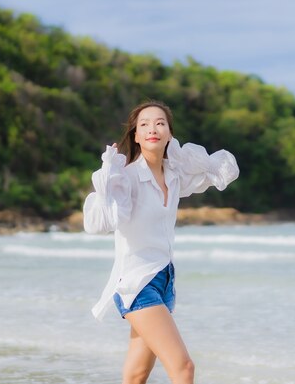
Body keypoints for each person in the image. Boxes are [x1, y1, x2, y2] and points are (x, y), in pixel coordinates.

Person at [83, 100, 239, 384]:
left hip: (164, 280)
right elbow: (100, 221)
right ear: (136, 136)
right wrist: (107, 185)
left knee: (136, 375)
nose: (152, 128)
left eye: (160, 123)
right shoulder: (126, 178)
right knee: (183, 368)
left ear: (169, 133)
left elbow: (218, 172)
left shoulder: (174, 174)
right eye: (144, 124)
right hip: (137, 284)